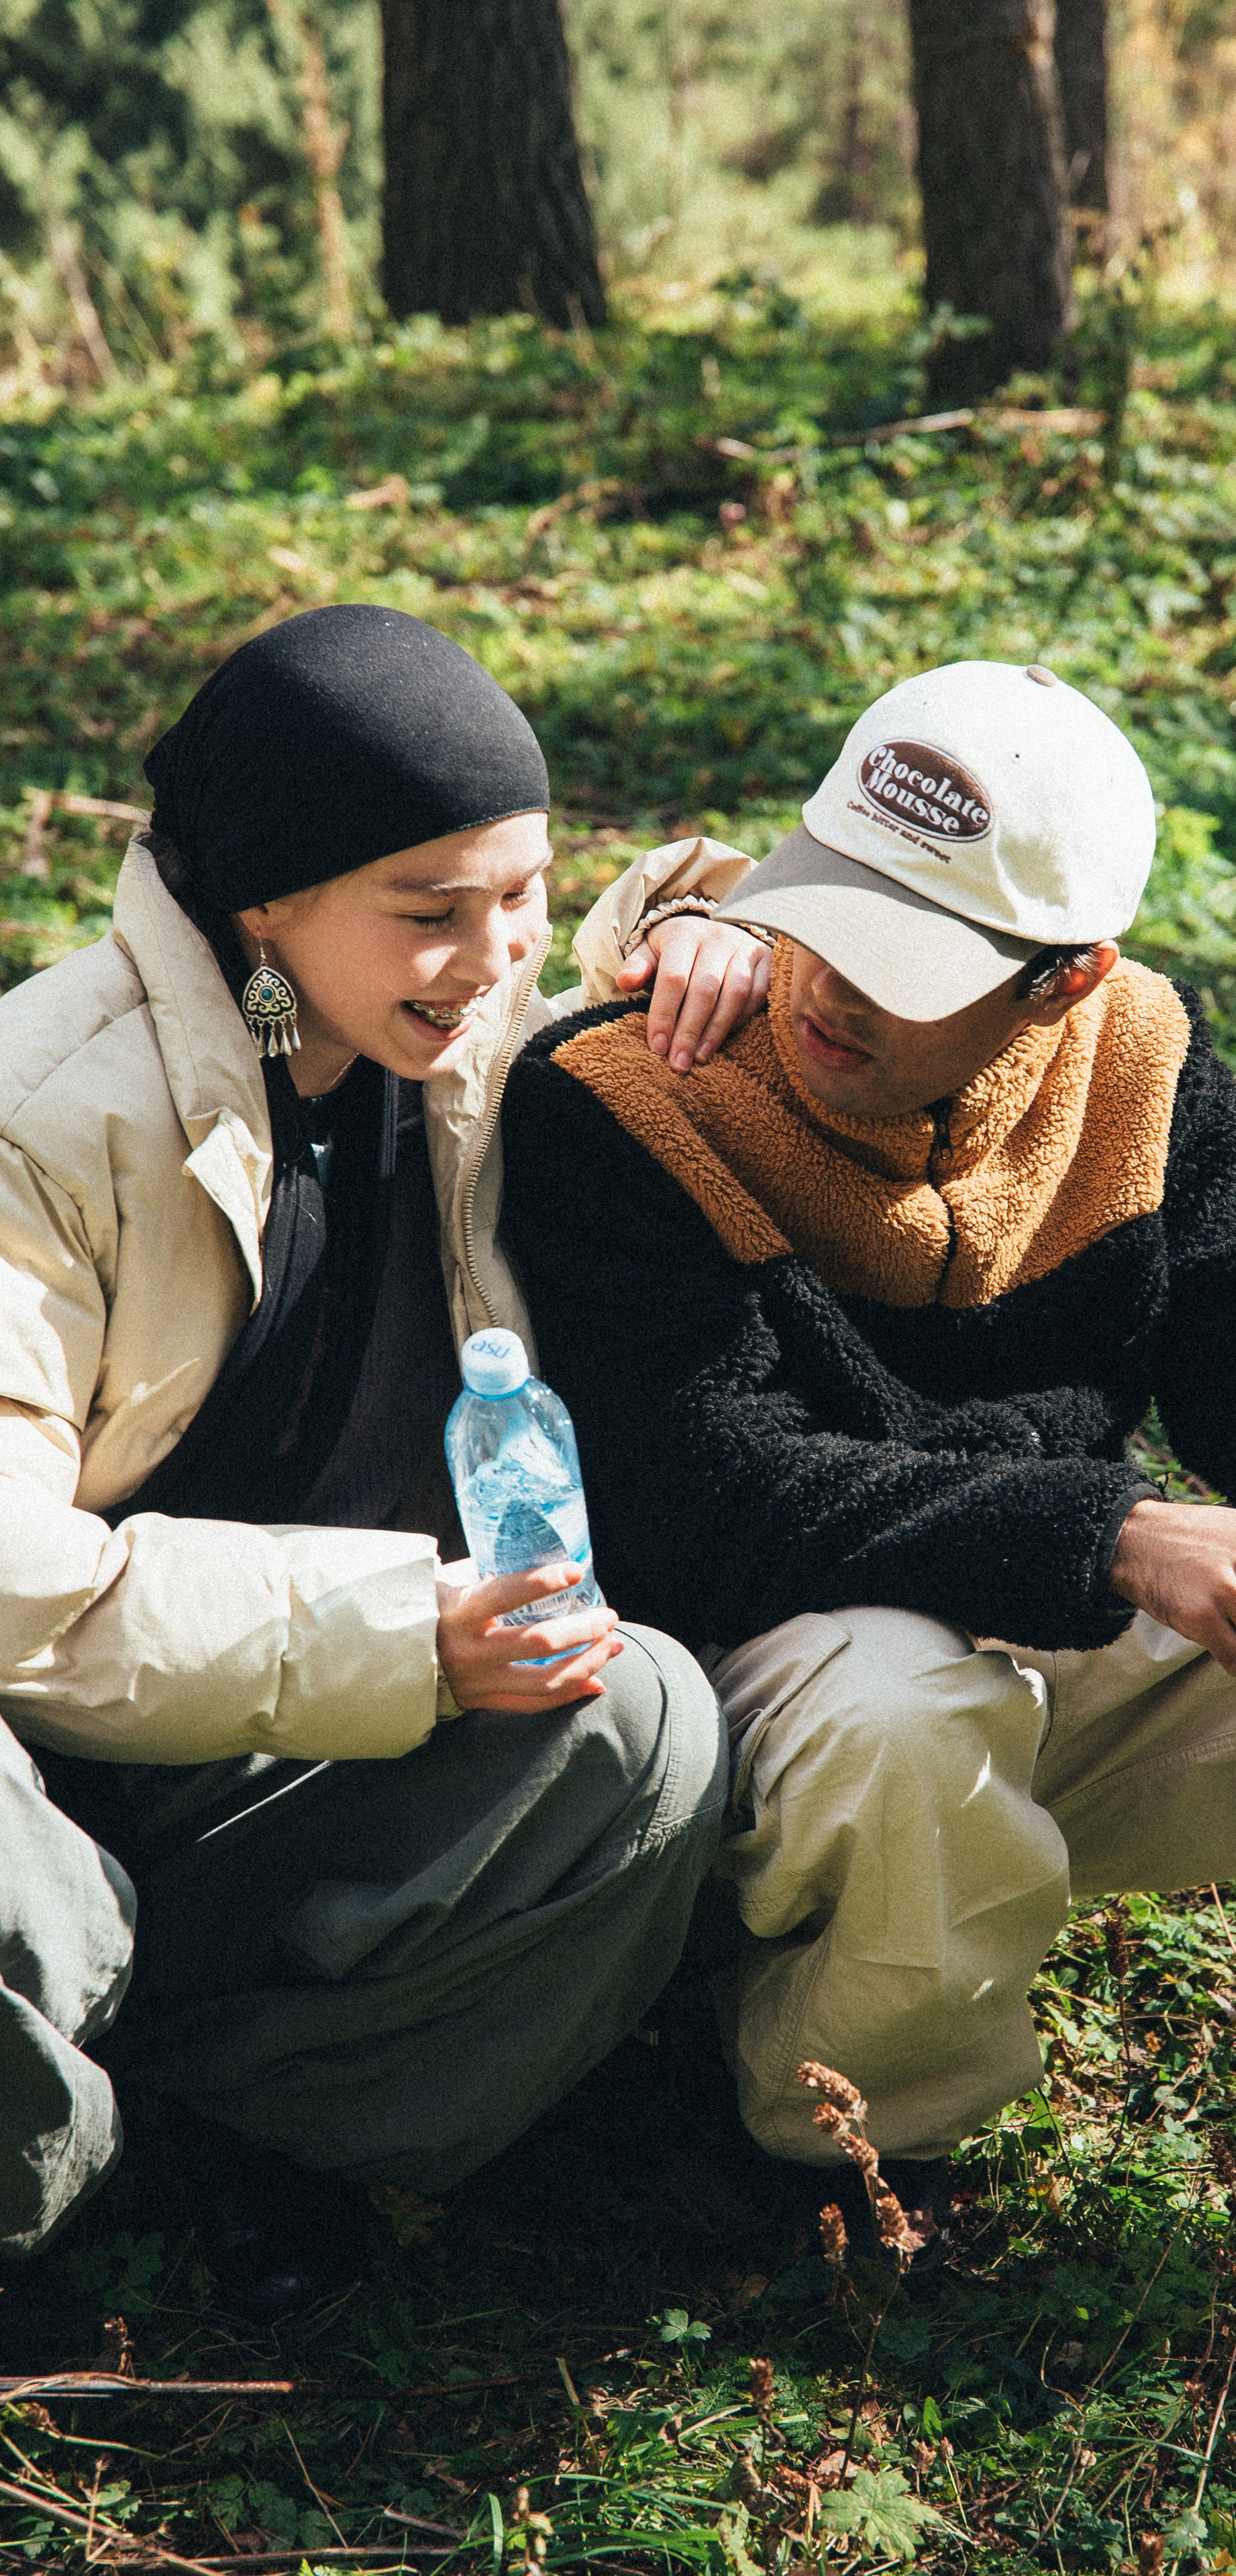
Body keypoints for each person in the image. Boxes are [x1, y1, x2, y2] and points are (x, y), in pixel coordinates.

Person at [501, 657, 1236, 2433]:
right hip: (774, 1678)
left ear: (1065, 979)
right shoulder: (631, 1100)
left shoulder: (1138, 1061)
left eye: (911, 958)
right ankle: (843, 2135)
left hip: (1064, 1630)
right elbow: (706, 1489)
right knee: (899, 1698)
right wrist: (1115, 1533)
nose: (830, 984)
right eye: (824, 913)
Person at [0, 602, 773, 2318]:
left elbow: (632, 964)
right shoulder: (40, 1114)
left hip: (279, 1760)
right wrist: (401, 1632)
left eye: (523, 894)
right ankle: (68, 2182)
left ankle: (251, 2140)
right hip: (45, 1765)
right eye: (431, 911)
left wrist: (713, 923)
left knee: (638, 1724)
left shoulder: (464, 1043)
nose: (493, 953)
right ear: (260, 903)